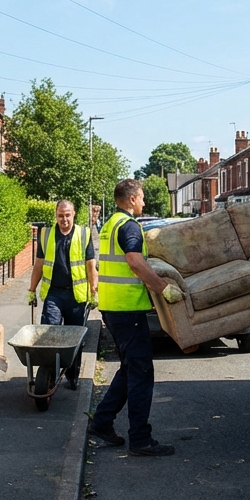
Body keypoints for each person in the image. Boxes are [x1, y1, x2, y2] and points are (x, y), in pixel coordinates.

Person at [87, 178, 184, 456]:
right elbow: (134, 261)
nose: (143, 202)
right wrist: (163, 288)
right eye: (141, 197)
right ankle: (140, 439)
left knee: (131, 369)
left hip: (113, 308)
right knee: (141, 372)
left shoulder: (110, 224)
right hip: (127, 311)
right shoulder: (129, 226)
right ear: (131, 199)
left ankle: (102, 424)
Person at [27, 200, 97, 387]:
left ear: (74, 214)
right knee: (49, 333)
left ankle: (73, 376)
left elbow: (91, 265)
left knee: (75, 338)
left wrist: (94, 290)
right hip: (54, 294)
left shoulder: (84, 234)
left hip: (76, 296)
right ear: (56, 215)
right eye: (60, 215)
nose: (64, 219)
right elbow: (39, 265)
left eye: (67, 215)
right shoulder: (46, 234)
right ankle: (49, 371)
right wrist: (31, 290)